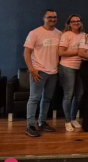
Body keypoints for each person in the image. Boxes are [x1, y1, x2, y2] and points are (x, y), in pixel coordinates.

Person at [22, 9, 62, 137]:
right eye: (49, 17)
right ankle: (30, 126)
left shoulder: (59, 34)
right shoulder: (35, 33)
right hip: (39, 71)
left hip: (53, 72)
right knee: (34, 98)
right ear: (44, 18)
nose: (52, 19)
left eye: (54, 17)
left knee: (47, 99)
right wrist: (32, 69)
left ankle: (42, 122)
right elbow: (26, 52)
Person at [58, 14, 86, 132]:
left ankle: (74, 118)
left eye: (78, 21)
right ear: (69, 23)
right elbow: (61, 52)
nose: (76, 23)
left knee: (79, 95)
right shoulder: (66, 35)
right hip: (67, 67)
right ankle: (67, 121)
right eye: (73, 21)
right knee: (68, 95)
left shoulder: (85, 35)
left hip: (80, 68)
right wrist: (78, 52)